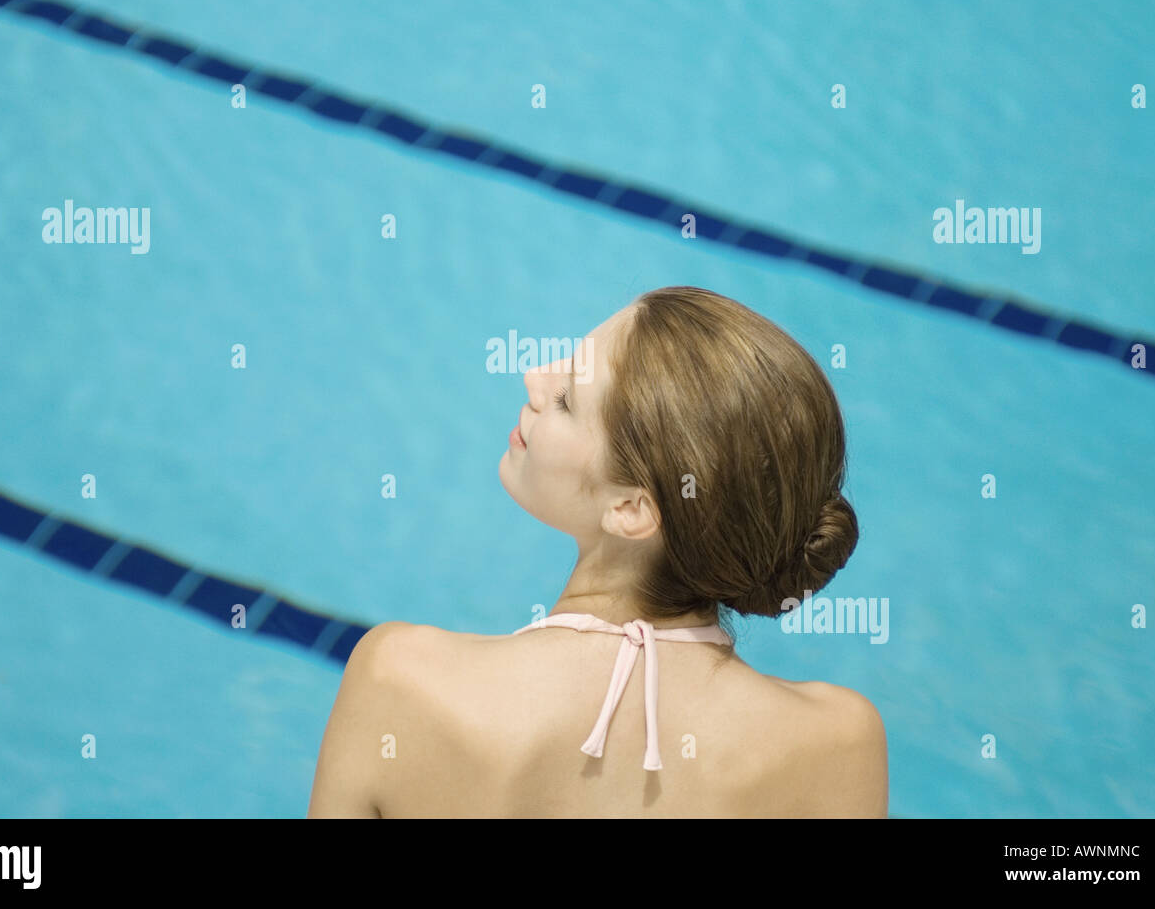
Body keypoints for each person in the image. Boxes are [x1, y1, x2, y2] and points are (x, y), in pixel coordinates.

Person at [308, 286, 886, 817]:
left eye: (565, 399)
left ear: (633, 509)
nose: (535, 377)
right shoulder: (837, 744)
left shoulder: (399, 680)